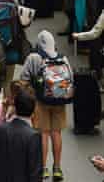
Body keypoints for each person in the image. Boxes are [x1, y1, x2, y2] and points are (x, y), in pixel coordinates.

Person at [19, 30, 71, 181]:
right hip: (59, 101)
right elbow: (70, 79)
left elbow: (24, 79)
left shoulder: (34, 57)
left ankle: (42, 169)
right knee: (56, 133)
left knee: (43, 134)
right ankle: (57, 168)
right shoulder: (63, 58)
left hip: (40, 101)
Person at [0, 88, 43, 182]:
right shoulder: (33, 136)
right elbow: (35, 171)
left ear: (15, 108)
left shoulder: (0, 129)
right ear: (34, 111)